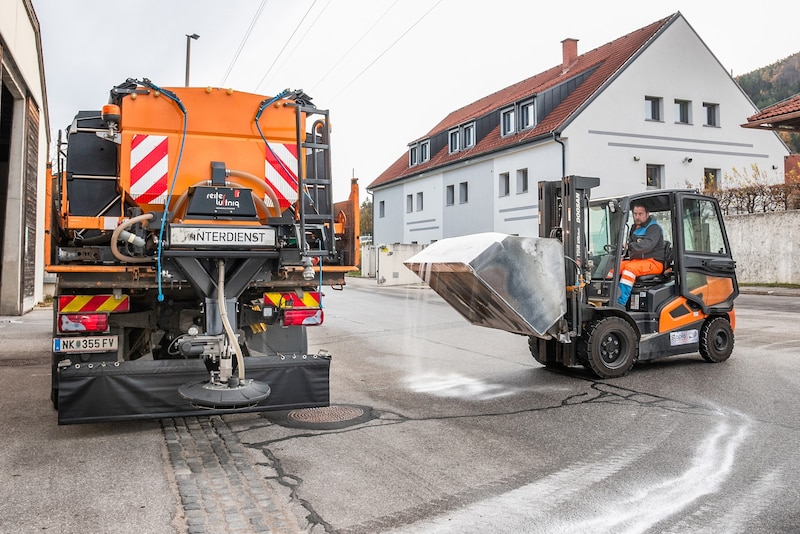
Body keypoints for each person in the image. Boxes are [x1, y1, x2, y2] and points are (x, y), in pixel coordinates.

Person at [617, 202, 664, 306]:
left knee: (630, 269)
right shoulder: (634, 227)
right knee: (614, 267)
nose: (637, 217)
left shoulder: (654, 228)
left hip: (654, 262)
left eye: (640, 214)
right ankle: (606, 297)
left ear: (647, 214)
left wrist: (630, 246)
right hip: (637, 261)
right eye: (635, 214)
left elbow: (647, 245)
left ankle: (619, 303)